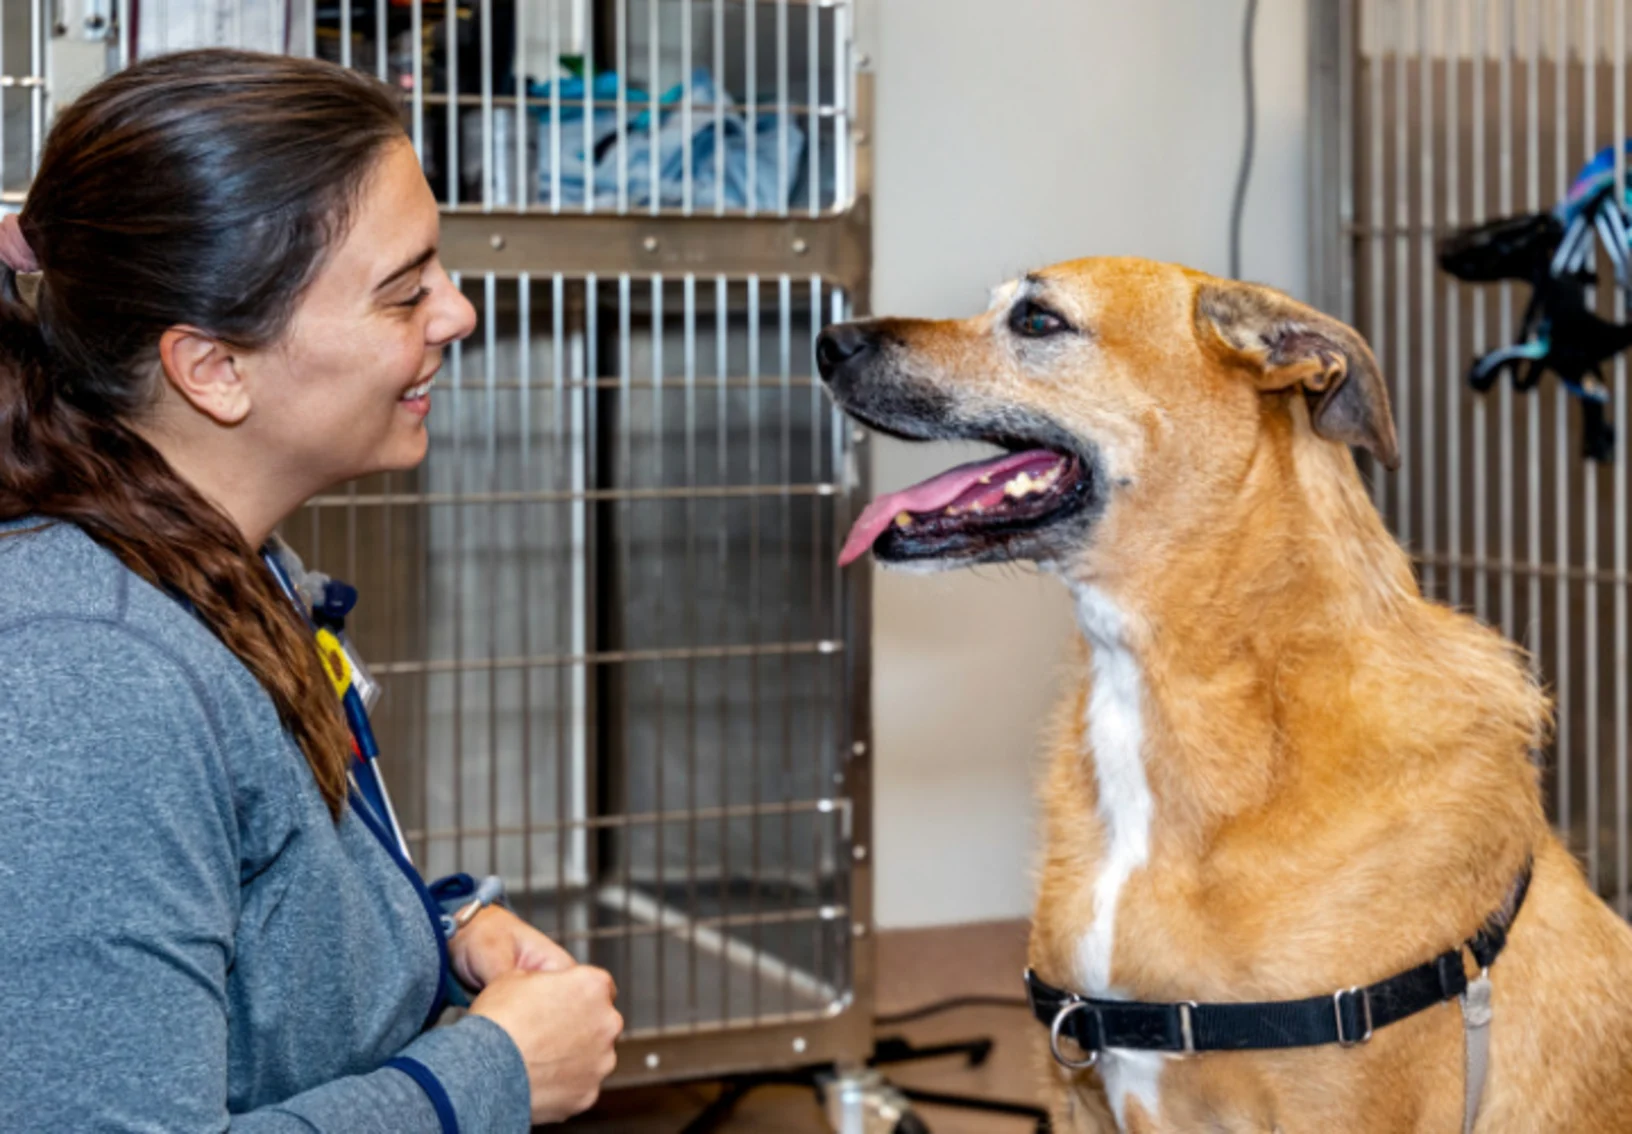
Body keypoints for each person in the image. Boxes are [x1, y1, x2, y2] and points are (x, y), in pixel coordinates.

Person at [0, 49, 621, 1132]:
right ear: (214, 369)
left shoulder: (217, 566)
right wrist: (488, 1077)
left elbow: (246, 927)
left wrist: (437, 935)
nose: (458, 313)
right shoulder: (90, 673)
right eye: (405, 291)